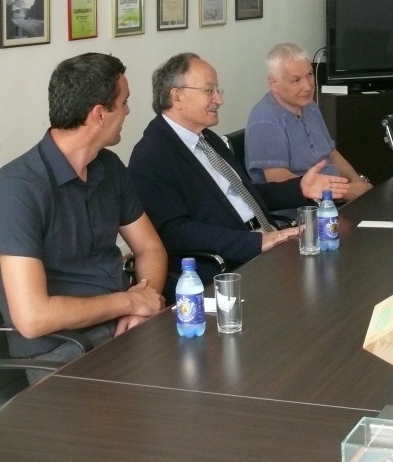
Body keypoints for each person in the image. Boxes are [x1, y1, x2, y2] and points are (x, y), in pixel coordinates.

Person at [0, 53, 166, 379]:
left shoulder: (109, 167)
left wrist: (141, 307)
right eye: (124, 102)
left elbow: (150, 248)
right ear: (99, 115)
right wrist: (128, 303)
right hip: (62, 351)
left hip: (124, 329)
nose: (129, 111)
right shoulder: (18, 189)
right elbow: (32, 318)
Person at [128, 53, 350, 273]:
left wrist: (300, 188)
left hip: (265, 240)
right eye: (209, 91)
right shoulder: (152, 155)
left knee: (342, 261)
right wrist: (255, 242)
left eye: (218, 91)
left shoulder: (207, 139)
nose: (219, 100)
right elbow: (175, 232)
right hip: (230, 264)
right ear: (176, 97)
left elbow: (247, 194)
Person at [245, 43, 371, 202]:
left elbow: (331, 154)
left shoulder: (309, 106)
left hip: (335, 195)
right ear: (273, 83)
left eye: (309, 74)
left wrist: (357, 183)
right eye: (296, 80)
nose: (308, 86)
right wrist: (347, 192)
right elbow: (280, 181)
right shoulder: (265, 121)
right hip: (303, 207)